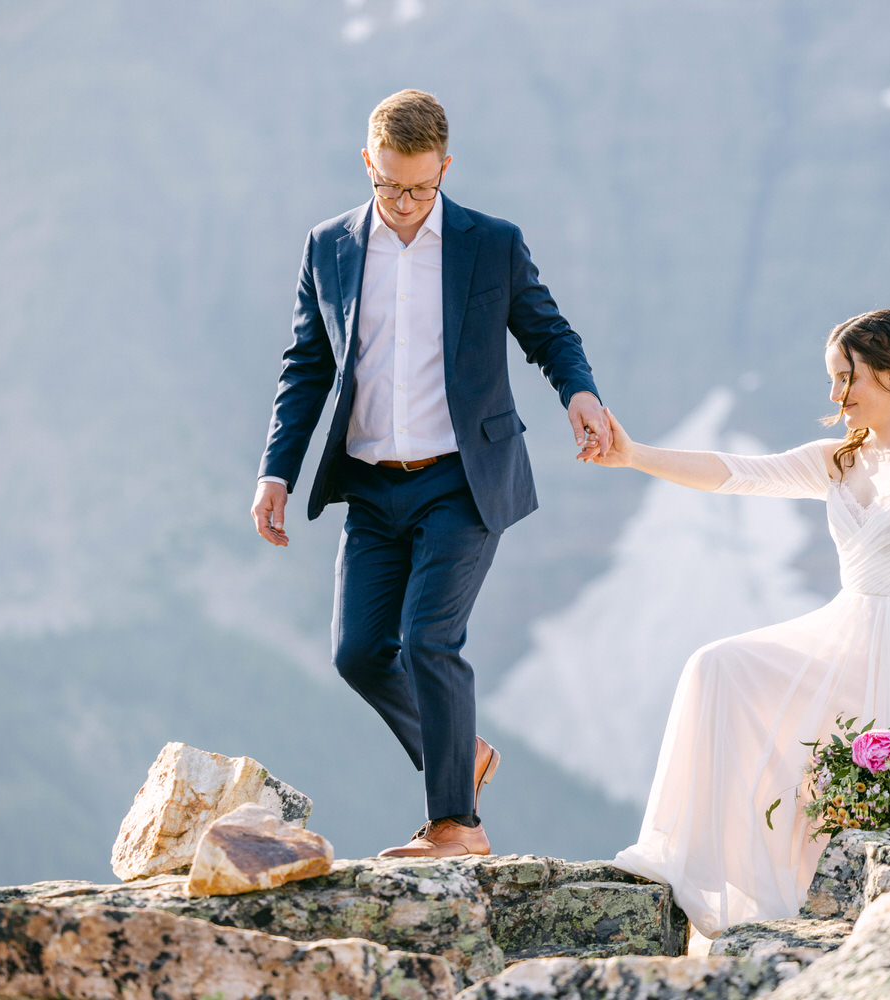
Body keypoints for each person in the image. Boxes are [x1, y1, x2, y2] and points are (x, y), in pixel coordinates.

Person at [250, 89, 610, 858]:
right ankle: (462, 754)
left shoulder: (492, 243)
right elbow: (306, 368)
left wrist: (580, 392)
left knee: (429, 641)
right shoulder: (330, 247)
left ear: (445, 168)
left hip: (463, 480)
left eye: (420, 186)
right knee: (357, 652)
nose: (405, 202)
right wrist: (275, 471)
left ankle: (457, 826)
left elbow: (548, 332)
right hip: (372, 485)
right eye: (388, 185)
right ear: (366, 164)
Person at [601, 309, 890, 936]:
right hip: (851, 629)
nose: (834, 395)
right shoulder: (840, 459)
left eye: (845, 378)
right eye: (831, 379)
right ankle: (699, 870)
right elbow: (735, 474)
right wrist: (634, 454)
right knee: (716, 666)